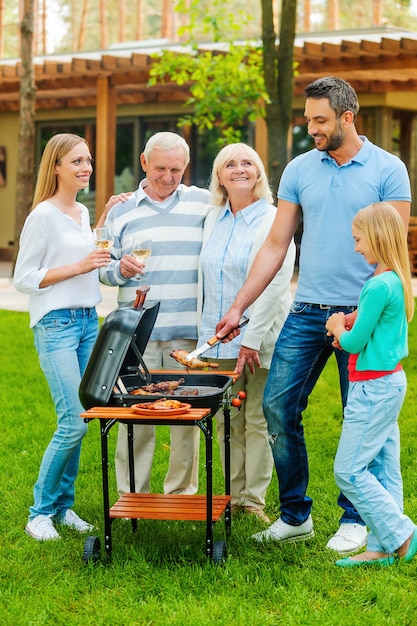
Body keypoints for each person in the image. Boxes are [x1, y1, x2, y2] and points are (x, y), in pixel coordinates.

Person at [215, 76, 411, 554]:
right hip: (306, 312)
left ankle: (356, 518)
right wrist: (239, 305)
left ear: (348, 117)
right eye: (308, 120)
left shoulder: (389, 170)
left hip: (362, 313)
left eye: (320, 121)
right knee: (278, 406)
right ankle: (295, 515)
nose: (312, 130)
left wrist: (362, 317)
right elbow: (277, 244)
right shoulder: (301, 169)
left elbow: (391, 250)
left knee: (358, 416)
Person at [99, 132, 211, 496]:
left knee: (187, 418)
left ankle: (181, 494)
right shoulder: (121, 209)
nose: (167, 176)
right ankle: (133, 494)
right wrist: (121, 271)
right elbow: (104, 268)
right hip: (137, 335)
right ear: (145, 163)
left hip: (187, 334)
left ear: (186, 166)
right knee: (135, 416)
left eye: (176, 169)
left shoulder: (204, 203)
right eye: (160, 168)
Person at [14, 133, 110, 541]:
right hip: (57, 326)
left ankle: (64, 507)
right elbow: (24, 279)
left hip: (90, 322)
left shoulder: (80, 213)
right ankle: (39, 513)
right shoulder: (42, 215)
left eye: (88, 160)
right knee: (72, 422)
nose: (86, 167)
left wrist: (104, 220)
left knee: (84, 419)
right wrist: (79, 265)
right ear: (56, 167)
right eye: (76, 161)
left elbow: (85, 254)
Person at [197, 143, 295, 523]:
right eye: (230, 164)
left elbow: (276, 284)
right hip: (216, 340)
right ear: (219, 176)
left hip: (260, 339)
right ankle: (231, 496)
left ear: (259, 173)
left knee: (256, 418)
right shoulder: (211, 218)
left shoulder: (274, 218)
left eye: (248, 163)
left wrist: (251, 339)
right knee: (225, 419)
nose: (240, 169)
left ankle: (253, 501)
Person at [325, 202, 416, 567]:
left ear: (376, 237)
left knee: (347, 471)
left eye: (358, 239)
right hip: (390, 382)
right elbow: (370, 324)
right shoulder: (395, 279)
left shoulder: (377, 285)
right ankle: (381, 546)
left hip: (372, 389)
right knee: (382, 467)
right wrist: (351, 319)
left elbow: (353, 343)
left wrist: (336, 326)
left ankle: (403, 534)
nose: (356, 247)